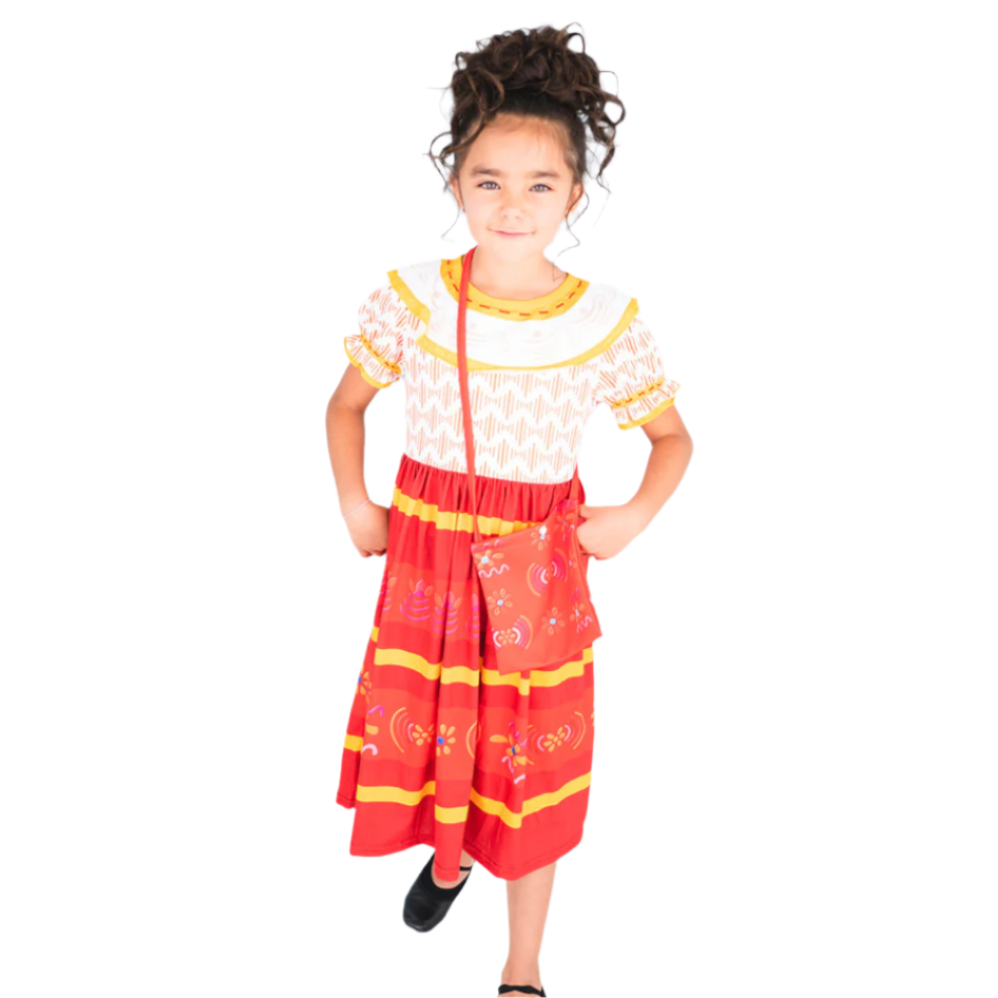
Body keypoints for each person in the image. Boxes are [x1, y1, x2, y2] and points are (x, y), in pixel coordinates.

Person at [326, 23, 694, 998]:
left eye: (539, 184)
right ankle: (449, 858)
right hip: (430, 561)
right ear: (456, 183)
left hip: (536, 565)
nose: (512, 205)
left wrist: (630, 515)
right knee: (436, 725)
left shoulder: (605, 318)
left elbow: (672, 439)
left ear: (573, 194)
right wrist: (357, 503)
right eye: (488, 180)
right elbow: (345, 405)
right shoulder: (410, 298)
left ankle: (522, 968)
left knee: (532, 761)